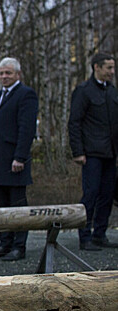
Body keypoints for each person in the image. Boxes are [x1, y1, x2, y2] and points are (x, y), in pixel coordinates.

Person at [0, 57, 38, 262]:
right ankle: (5, 243)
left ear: (18, 74)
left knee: (17, 205)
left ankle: (19, 246)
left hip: (15, 160)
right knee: (0, 206)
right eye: (1, 73)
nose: (4, 76)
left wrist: (20, 157)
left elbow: (27, 129)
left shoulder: (26, 95)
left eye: (8, 73)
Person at [68, 52, 118, 251]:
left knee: (107, 194)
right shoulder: (84, 91)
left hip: (110, 152)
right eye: (109, 68)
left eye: (113, 68)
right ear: (96, 67)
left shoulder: (112, 91)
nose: (112, 72)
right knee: (91, 194)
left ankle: (100, 233)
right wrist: (78, 151)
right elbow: (75, 123)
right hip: (91, 153)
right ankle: (85, 235)